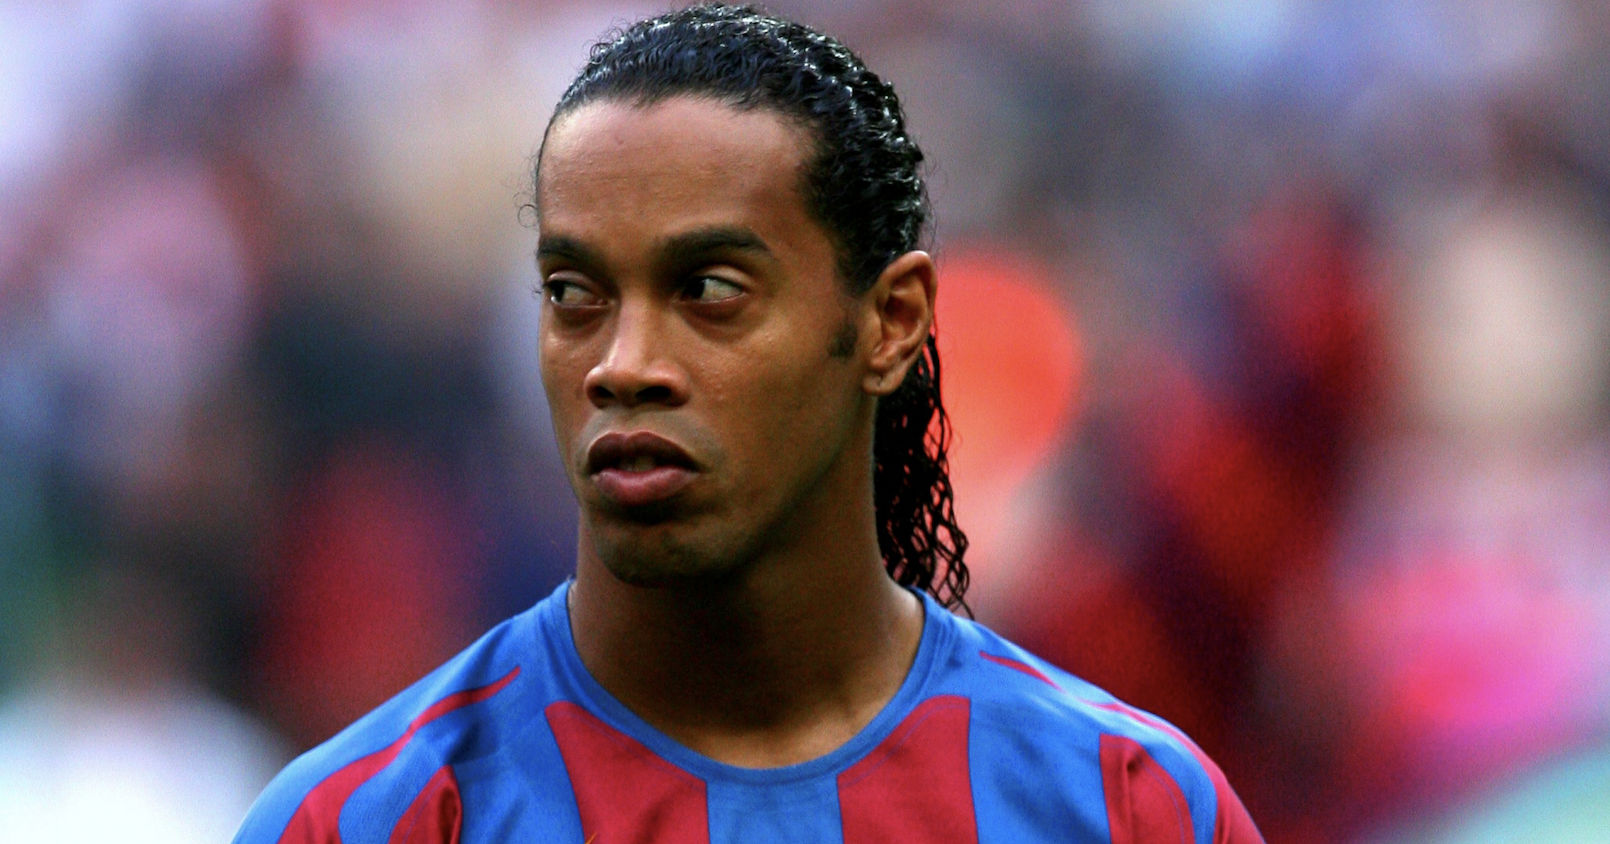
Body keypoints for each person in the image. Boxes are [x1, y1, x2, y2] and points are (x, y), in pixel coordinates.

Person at [234, 4, 1263, 841]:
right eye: (574, 295)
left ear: (891, 323)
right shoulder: (366, 819)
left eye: (710, 290)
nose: (623, 364)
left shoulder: (1126, 806)